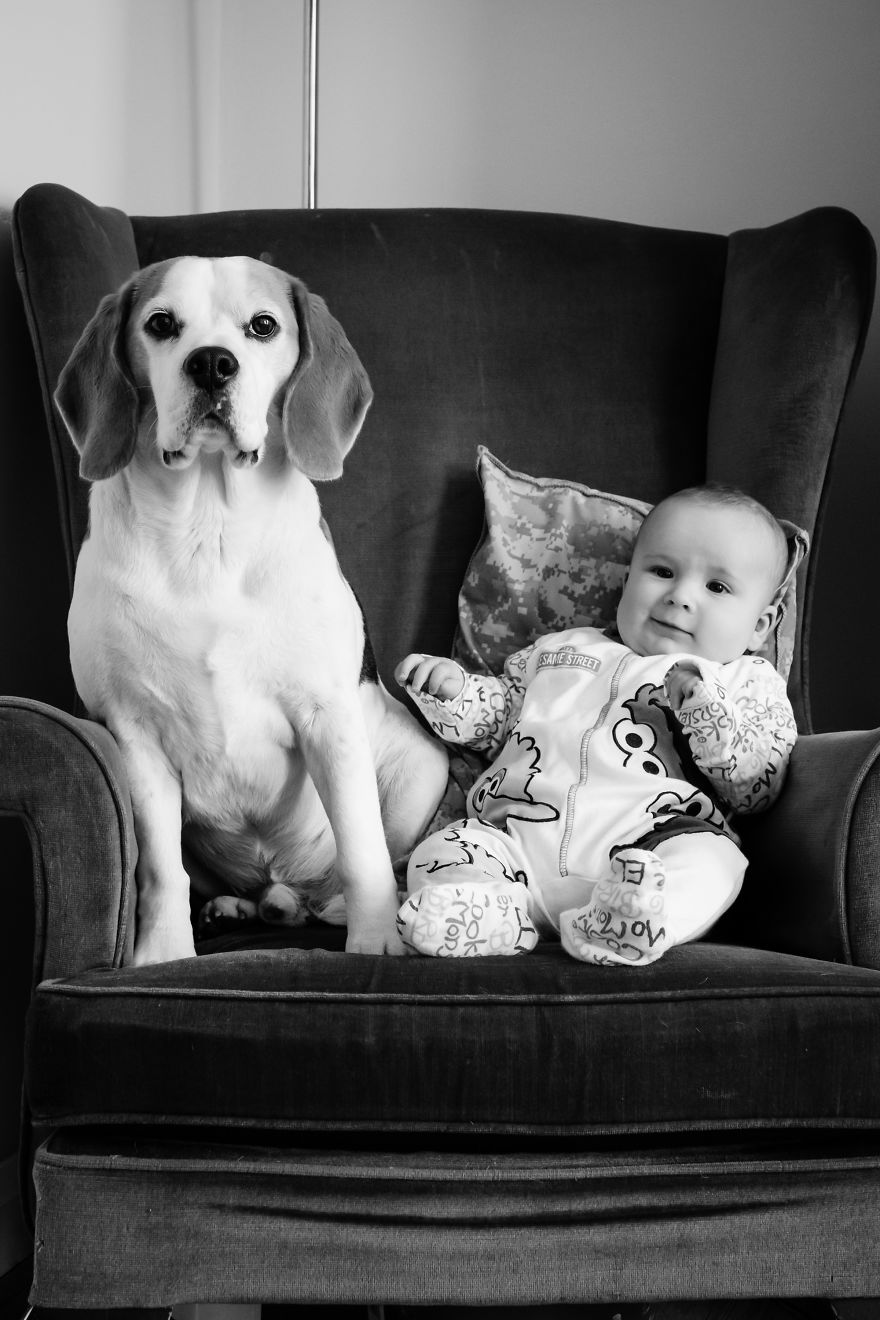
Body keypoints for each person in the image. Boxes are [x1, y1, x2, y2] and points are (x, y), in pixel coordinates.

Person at [394, 483, 797, 966]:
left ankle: (631, 921)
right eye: (662, 571)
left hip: (649, 846)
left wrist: (706, 716)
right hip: (514, 841)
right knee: (443, 850)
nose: (680, 597)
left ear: (761, 624)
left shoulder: (744, 683)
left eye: (717, 587)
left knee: (715, 861)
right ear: (628, 580)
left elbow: (757, 787)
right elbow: (499, 716)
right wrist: (455, 692)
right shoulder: (559, 650)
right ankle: (491, 915)